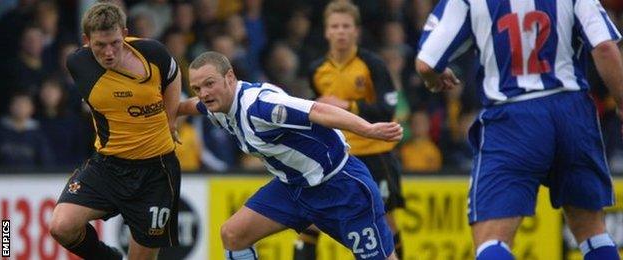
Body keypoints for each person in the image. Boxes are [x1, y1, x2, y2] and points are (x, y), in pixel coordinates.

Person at [416, 0, 623, 259]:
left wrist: (433, 78)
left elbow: (426, 62)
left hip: (512, 117)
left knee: (492, 238)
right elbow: (604, 47)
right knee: (593, 231)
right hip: (573, 113)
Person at [177, 51, 402, 260]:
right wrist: (171, 113)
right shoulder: (217, 104)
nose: (204, 94)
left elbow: (318, 111)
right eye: (197, 88)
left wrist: (368, 129)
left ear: (230, 77)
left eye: (209, 84)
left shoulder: (261, 105)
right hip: (292, 188)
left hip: (341, 186)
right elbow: (192, 106)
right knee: (233, 235)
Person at [49, 3, 182, 259]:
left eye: (115, 43)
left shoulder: (153, 52)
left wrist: (171, 118)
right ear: (87, 41)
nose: (109, 52)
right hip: (107, 167)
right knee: (61, 227)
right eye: (100, 45)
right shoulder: (77, 63)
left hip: (157, 172)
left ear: (125, 33)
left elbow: (173, 73)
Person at [297, 2, 405, 259]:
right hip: (336, 156)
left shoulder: (372, 65)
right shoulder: (317, 70)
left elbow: (387, 109)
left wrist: (347, 105)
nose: (341, 31)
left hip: (375, 154)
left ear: (356, 31)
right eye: (335, 26)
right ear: (326, 32)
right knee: (310, 219)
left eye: (346, 26)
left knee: (385, 221)